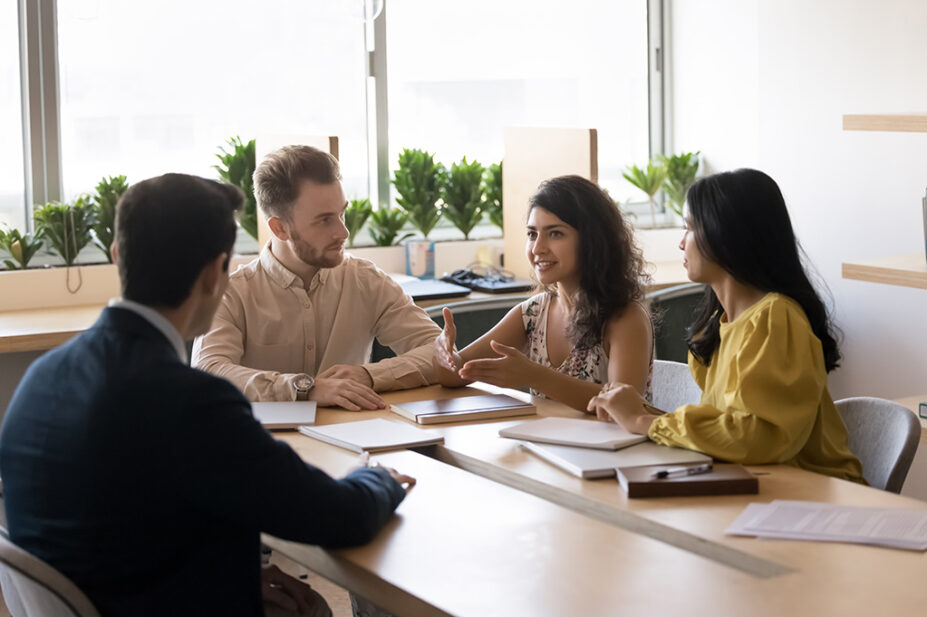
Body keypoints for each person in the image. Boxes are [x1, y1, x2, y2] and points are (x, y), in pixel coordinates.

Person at [0, 173, 414, 616]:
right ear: (217, 273)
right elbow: (339, 518)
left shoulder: (42, 377)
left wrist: (231, 570)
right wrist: (379, 478)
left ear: (118, 255)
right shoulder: (190, 403)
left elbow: (111, 517)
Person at [588, 168, 864, 482]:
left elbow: (756, 437)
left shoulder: (775, 317)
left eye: (689, 227)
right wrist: (638, 412)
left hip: (813, 493)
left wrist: (643, 421)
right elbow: (728, 430)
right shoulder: (719, 326)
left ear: (724, 234)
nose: (681, 243)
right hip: (756, 482)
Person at [193, 145, 442, 409]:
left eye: (342, 213)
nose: (343, 232)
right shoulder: (233, 293)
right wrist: (303, 389)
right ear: (279, 228)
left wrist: (369, 375)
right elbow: (208, 372)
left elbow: (440, 352)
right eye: (324, 220)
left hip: (353, 440)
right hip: (261, 443)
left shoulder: (366, 281)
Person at [434, 174, 653, 412]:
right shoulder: (532, 313)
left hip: (617, 449)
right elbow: (456, 375)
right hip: (547, 446)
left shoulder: (625, 317)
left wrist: (533, 375)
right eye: (532, 234)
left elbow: (623, 406)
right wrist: (444, 355)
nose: (538, 248)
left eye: (555, 233)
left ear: (593, 241)